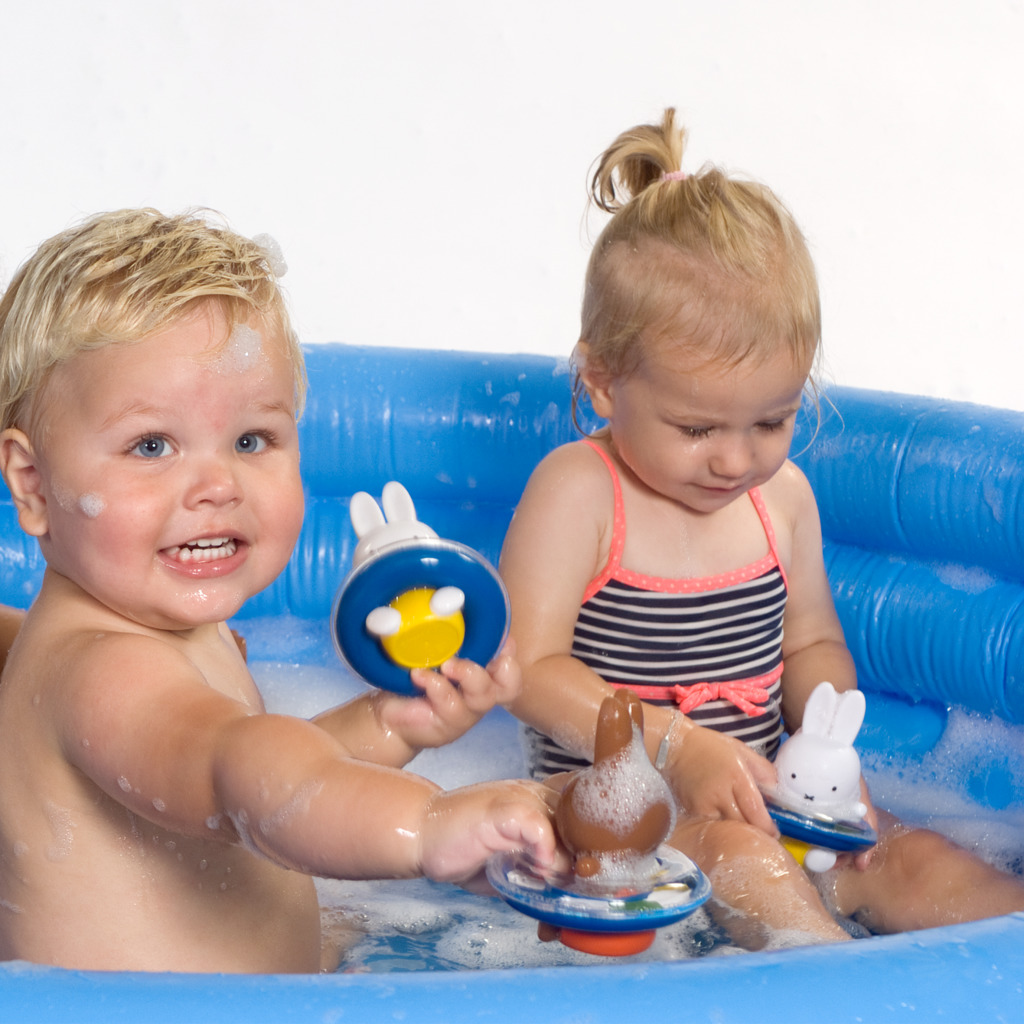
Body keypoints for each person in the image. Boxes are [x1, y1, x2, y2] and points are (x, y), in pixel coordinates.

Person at [500, 108, 1024, 950]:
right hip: (604, 825)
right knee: (747, 860)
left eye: (772, 421)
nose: (736, 460)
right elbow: (525, 670)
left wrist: (822, 738)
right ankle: (840, 988)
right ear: (602, 382)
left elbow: (811, 641)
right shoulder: (581, 493)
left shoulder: (782, 500)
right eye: (697, 428)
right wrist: (680, 750)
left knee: (909, 857)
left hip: (760, 798)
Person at [0, 209, 562, 974]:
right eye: (152, 445)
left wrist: (388, 724)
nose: (217, 485)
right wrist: (427, 825)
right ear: (33, 485)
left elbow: (267, 780)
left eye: (251, 440)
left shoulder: (174, 629)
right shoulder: (101, 668)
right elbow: (241, 777)